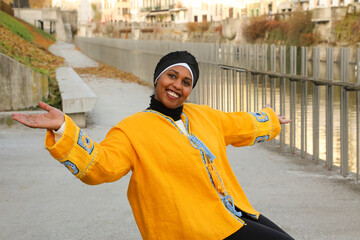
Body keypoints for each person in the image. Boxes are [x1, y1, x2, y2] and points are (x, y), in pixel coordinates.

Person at [12, 51, 293, 240]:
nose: (177, 86)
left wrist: (271, 121)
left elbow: (238, 124)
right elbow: (101, 166)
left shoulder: (203, 116)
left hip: (231, 213)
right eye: (172, 76)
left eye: (186, 82)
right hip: (193, 230)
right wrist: (63, 127)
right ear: (158, 78)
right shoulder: (133, 128)